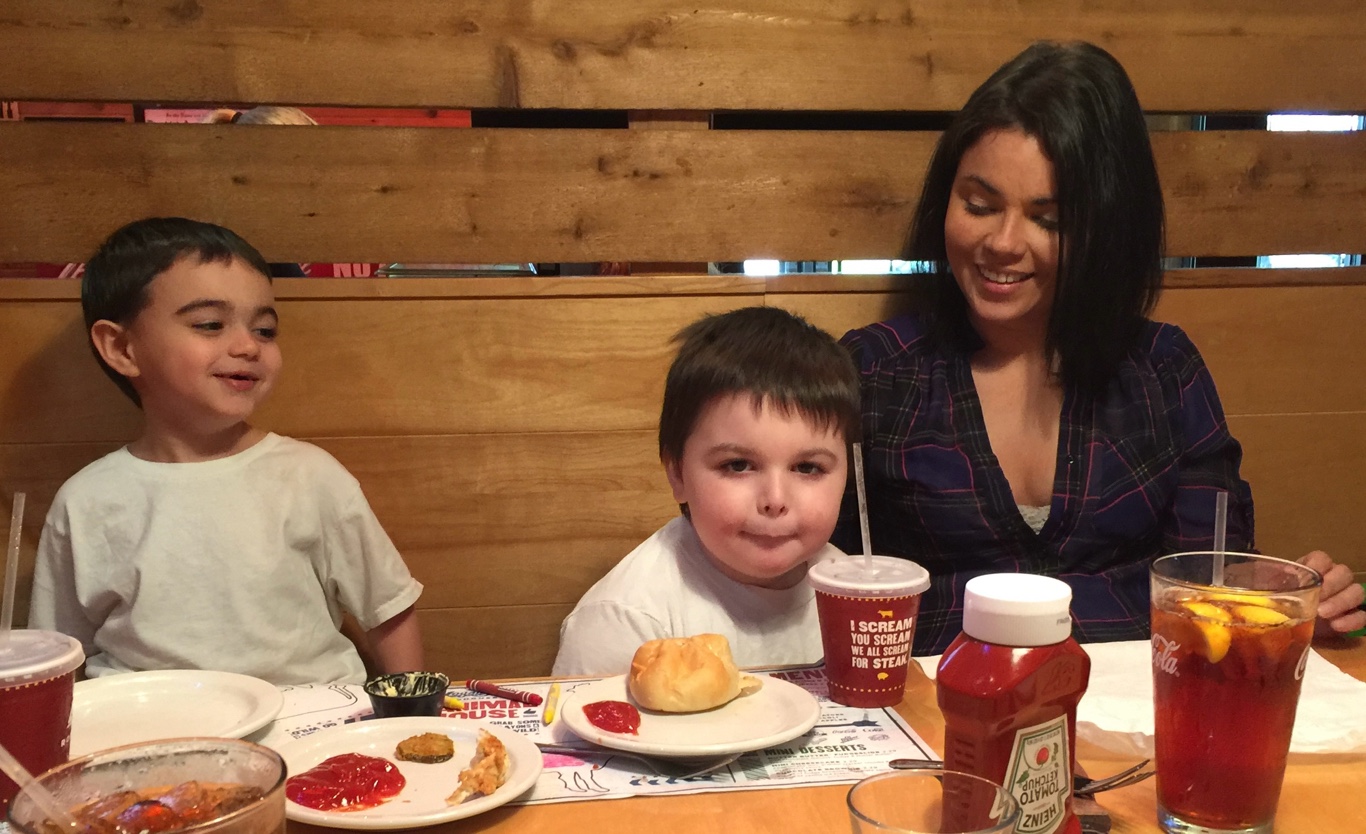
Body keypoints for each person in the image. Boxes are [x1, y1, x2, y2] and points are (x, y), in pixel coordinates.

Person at [832, 41, 1366, 656]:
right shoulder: (875, 374)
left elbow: (1207, 593)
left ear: (1108, 226)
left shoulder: (1164, 373)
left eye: (1050, 219)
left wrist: (1283, 612)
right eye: (979, 205)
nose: (1003, 242)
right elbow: (832, 598)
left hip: (1138, 727)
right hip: (938, 723)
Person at [28, 217, 426, 684]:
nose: (247, 346)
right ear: (122, 348)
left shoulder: (310, 476)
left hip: (310, 724)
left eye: (264, 330)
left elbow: (388, 609)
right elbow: (57, 657)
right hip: (153, 735)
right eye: (210, 324)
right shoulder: (85, 501)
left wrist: (418, 718)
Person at [553, 306, 859, 676]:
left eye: (808, 468)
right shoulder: (625, 620)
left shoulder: (854, 592)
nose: (775, 500)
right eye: (738, 465)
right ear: (678, 474)